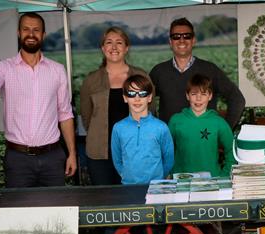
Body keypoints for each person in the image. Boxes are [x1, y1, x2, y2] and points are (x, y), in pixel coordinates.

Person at [0, 12, 76, 187]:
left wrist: (72, 153)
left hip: (53, 158)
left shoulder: (57, 70)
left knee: (55, 211)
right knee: (20, 212)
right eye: (26, 29)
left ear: (43, 35)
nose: (31, 34)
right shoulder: (4, 68)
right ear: (18, 33)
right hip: (18, 160)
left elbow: (65, 115)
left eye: (36, 30)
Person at [80, 27, 150, 185]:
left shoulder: (141, 76)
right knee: (104, 200)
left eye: (119, 43)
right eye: (109, 43)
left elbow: (150, 113)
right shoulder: (91, 80)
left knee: (133, 199)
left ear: (126, 48)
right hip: (100, 154)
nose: (114, 47)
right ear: (103, 48)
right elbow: (87, 117)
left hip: (135, 152)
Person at [149, 18, 245, 128]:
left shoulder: (210, 70)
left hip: (204, 140)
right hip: (170, 142)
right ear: (170, 42)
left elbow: (237, 98)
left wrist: (225, 130)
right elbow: (143, 100)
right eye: (176, 36)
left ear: (193, 40)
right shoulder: (159, 71)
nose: (181, 40)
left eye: (187, 36)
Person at [111, 74, 174, 184]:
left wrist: (159, 178)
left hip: (156, 187)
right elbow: (117, 159)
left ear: (149, 97)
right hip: (128, 187)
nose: (137, 98)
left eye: (142, 94)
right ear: (125, 98)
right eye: (131, 94)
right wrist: (125, 175)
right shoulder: (118, 128)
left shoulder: (161, 127)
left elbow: (168, 159)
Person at [168, 74, 234, 177]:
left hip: (211, 181)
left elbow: (231, 150)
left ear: (210, 96)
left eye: (203, 94)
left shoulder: (218, 122)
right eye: (194, 94)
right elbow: (167, 150)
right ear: (187, 95)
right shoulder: (176, 121)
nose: (198, 99)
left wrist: (224, 176)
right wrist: (171, 172)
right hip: (181, 181)